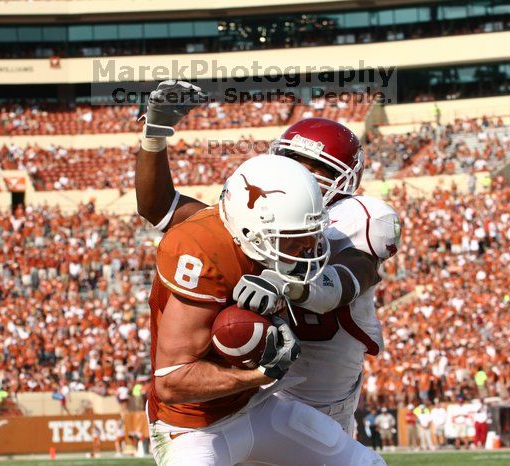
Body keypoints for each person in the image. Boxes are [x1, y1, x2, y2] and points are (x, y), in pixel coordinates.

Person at [136, 80, 401, 438]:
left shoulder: (359, 217)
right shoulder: (257, 215)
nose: (301, 173)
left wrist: (287, 282)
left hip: (320, 395)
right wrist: (154, 135)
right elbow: (160, 208)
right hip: (252, 386)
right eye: (292, 159)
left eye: (316, 167)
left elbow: (348, 280)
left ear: (346, 179)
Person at [146, 155, 385, 465]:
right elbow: (172, 381)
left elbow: (364, 266)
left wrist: (286, 283)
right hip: (191, 428)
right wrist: (260, 374)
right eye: (292, 239)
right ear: (251, 230)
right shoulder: (202, 249)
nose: (307, 246)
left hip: (258, 407)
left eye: (311, 232)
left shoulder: (284, 240)